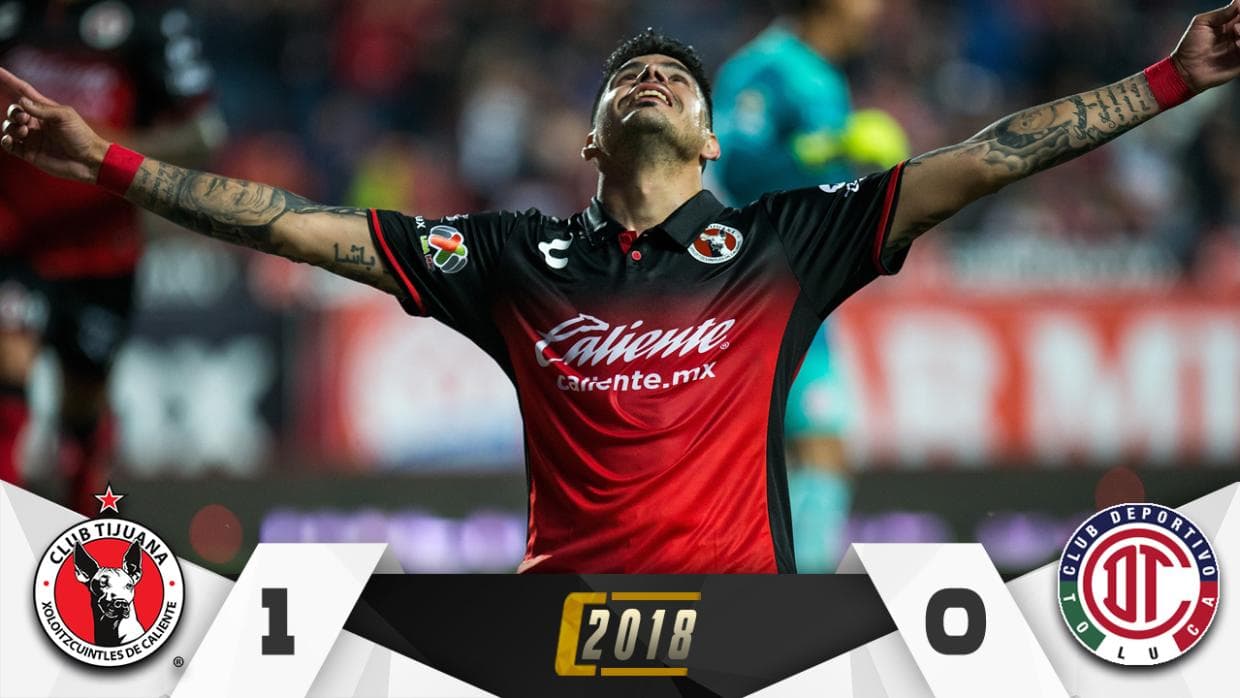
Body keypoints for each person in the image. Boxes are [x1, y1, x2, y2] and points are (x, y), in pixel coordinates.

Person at [3, 4, 1238, 573]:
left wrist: (1169, 81)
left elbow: (992, 154)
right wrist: (104, 159)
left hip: (744, 645)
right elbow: (289, 223)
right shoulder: (509, 259)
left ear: (711, 139)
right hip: (550, 646)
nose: (652, 77)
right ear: (590, 140)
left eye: (677, 78)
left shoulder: (788, 241)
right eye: (627, 74)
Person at [0, 0, 223, 513]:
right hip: (16, 240)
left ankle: (84, 521)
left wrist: (106, 148)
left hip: (102, 252)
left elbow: (203, 134)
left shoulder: (148, 19)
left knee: (83, 402)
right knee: (7, 376)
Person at [713, 0, 909, 571]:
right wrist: (829, 146)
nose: (875, 10)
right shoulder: (764, 68)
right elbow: (736, 168)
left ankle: (793, 589)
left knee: (818, 450)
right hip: (754, 291)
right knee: (799, 450)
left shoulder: (824, 76)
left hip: (805, 290)